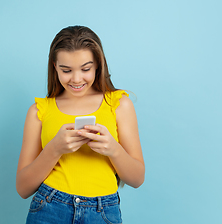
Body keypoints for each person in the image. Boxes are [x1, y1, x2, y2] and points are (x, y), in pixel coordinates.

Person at [16, 25, 145, 224]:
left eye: (85, 69)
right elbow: (23, 188)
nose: (76, 79)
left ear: (98, 66)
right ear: (54, 67)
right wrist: (55, 149)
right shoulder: (39, 111)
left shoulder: (119, 104)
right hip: (49, 207)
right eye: (66, 70)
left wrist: (113, 149)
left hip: (102, 211)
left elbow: (137, 179)